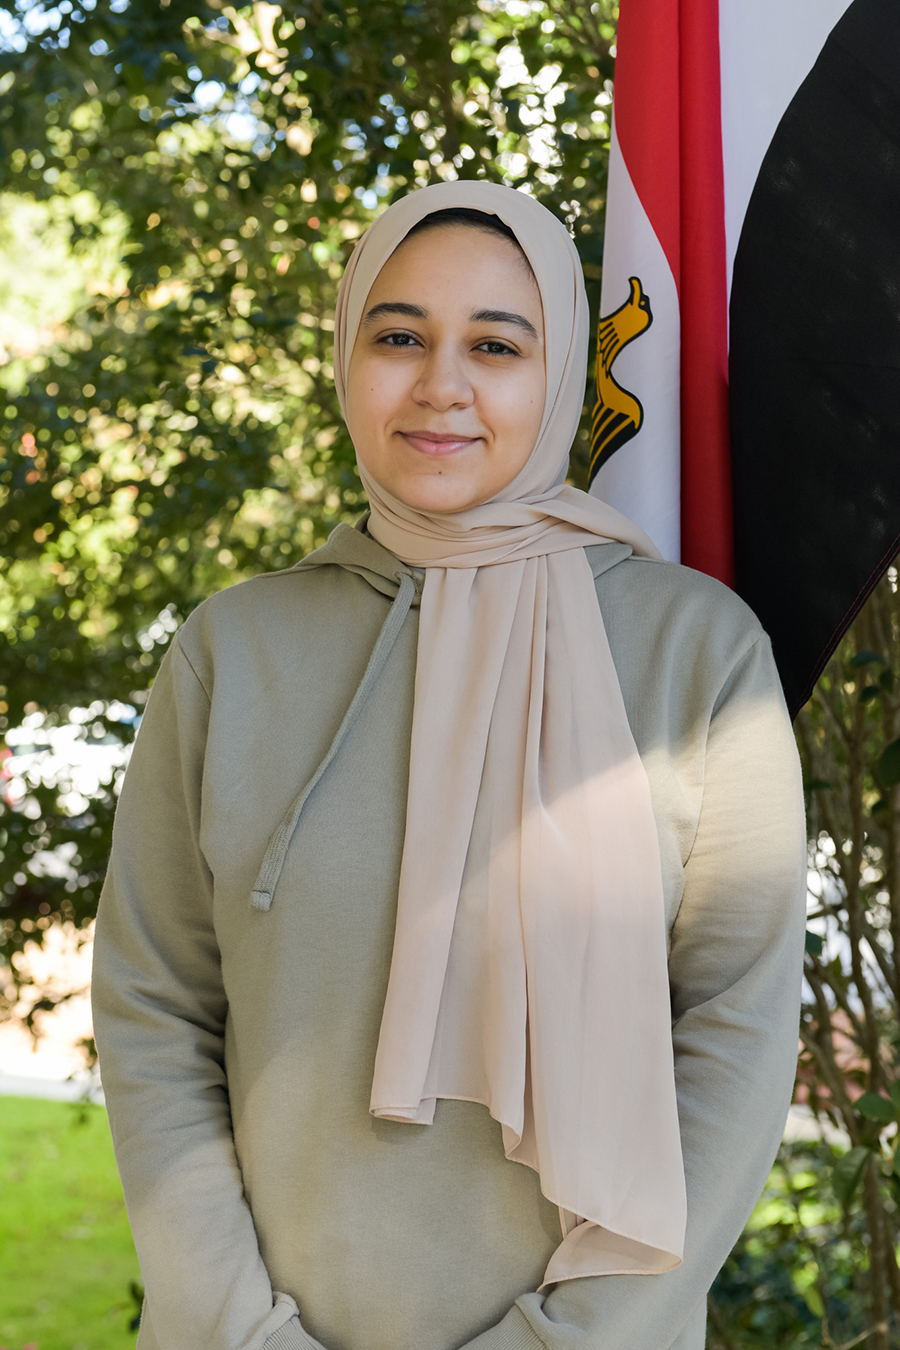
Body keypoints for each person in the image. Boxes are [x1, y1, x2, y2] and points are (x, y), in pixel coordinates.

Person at [91, 181, 807, 1350]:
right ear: (347, 359)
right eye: (400, 337)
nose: (442, 385)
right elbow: (155, 1005)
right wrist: (240, 1333)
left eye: (494, 345)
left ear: (560, 370)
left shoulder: (697, 652)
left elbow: (734, 1031)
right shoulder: (234, 649)